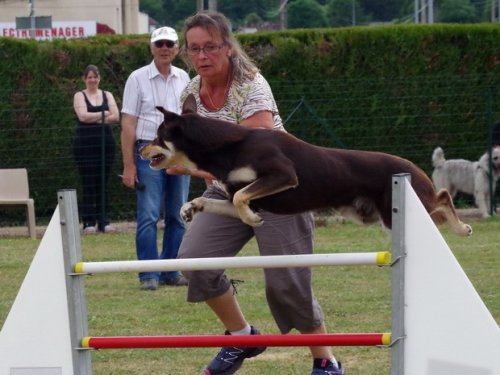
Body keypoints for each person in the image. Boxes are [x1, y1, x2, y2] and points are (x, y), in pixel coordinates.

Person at [172, 11, 344, 375]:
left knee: (287, 283)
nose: (202, 56)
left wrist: (187, 166)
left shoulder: (252, 85)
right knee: (194, 261)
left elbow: (252, 163)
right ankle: (242, 336)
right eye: (194, 49)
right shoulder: (190, 90)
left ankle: (325, 361)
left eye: (210, 47)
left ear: (229, 48)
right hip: (226, 192)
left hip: (277, 189)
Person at [120, 26, 191, 291]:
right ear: (151, 47)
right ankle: (148, 274)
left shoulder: (184, 77)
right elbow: (128, 123)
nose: (164, 48)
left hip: (177, 153)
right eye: (159, 44)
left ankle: (170, 271)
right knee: (148, 215)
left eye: (169, 44)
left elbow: (189, 121)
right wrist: (128, 165)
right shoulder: (137, 78)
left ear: (176, 49)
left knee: (178, 214)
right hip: (147, 150)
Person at [73, 64, 119, 234]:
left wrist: (102, 116)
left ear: (99, 78)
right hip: (85, 145)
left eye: (95, 76)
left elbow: (116, 116)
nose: (93, 80)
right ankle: (88, 222)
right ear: (84, 79)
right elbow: (82, 116)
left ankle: (104, 221)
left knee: (103, 183)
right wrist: (104, 114)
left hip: (106, 145)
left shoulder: (108, 95)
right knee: (88, 183)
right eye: (89, 77)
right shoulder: (79, 95)